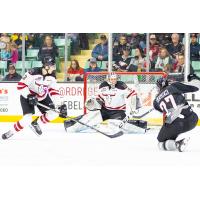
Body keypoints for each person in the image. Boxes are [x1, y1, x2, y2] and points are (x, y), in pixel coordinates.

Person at [2, 57, 67, 139]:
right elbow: (20, 85)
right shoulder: (33, 72)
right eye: (52, 66)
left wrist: (61, 105)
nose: (54, 68)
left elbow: (53, 91)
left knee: (54, 113)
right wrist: (29, 95)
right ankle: (11, 131)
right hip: (27, 96)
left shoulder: (52, 76)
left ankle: (36, 123)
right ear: (46, 66)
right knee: (27, 119)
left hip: (42, 96)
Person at [64, 72, 146, 134]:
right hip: (105, 111)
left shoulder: (121, 85)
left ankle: (140, 127)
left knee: (115, 126)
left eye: (115, 79)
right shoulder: (102, 86)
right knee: (89, 119)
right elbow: (99, 98)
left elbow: (133, 94)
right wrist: (93, 102)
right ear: (108, 79)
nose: (114, 81)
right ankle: (71, 126)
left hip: (118, 112)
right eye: (112, 79)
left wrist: (135, 106)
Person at [153, 77, 199, 152]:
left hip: (175, 124)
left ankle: (176, 144)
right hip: (192, 119)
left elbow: (161, 110)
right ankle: (176, 142)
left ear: (158, 87)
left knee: (160, 142)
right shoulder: (174, 86)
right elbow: (194, 88)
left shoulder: (155, 102)